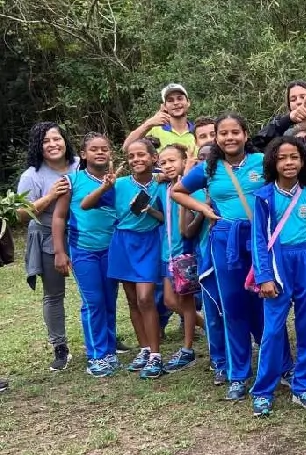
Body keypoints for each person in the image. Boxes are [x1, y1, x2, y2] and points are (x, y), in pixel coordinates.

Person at [173, 114, 290, 400]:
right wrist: (203, 209)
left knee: (268, 302)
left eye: (235, 132)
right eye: (223, 133)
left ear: (245, 134)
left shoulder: (262, 161)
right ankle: (239, 374)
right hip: (225, 240)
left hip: (261, 239)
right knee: (234, 306)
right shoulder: (208, 168)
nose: (229, 138)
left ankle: (282, 366)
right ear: (216, 138)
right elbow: (178, 191)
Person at [250, 136, 306, 416]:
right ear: (273, 162)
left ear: (302, 160)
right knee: (272, 331)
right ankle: (263, 391)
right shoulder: (263, 196)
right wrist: (264, 275)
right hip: (277, 262)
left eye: (294, 157)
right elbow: (259, 239)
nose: (288, 163)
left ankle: (303, 386)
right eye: (282, 158)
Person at [82, 138, 166, 379]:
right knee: (132, 300)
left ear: (153, 158)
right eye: (131, 156)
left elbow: (164, 218)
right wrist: (104, 188)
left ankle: (156, 355)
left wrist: (148, 209)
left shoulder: (161, 184)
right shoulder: (118, 184)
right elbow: (87, 204)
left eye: (141, 155)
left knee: (145, 298)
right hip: (122, 243)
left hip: (148, 242)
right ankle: (144, 348)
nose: (136, 159)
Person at [51, 132, 119, 377]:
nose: (100, 152)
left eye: (104, 149)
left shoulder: (117, 181)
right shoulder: (72, 181)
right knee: (94, 302)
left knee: (110, 300)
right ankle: (97, 355)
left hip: (112, 250)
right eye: (94, 149)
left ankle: (110, 350)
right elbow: (59, 217)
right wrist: (60, 251)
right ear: (84, 154)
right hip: (84, 251)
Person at [16, 122, 80, 371]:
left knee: (95, 288)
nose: (53, 144)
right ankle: (60, 347)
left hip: (82, 234)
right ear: (38, 147)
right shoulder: (32, 175)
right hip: (46, 236)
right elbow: (20, 215)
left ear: (65, 140)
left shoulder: (79, 164)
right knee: (54, 294)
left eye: (57, 138)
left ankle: (107, 336)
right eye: (46, 141)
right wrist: (50, 196)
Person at [180, 145, 227, 385]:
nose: (207, 161)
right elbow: (186, 232)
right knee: (213, 311)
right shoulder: (193, 192)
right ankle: (219, 360)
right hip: (206, 256)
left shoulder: (230, 183)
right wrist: (203, 208)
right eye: (202, 158)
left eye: (211, 157)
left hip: (234, 254)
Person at [157, 144, 199, 372]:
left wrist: (189, 171)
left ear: (184, 161)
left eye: (172, 161)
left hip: (184, 253)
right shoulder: (165, 186)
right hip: (168, 253)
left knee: (185, 302)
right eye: (163, 162)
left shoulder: (190, 187)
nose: (167, 166)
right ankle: (212, 328)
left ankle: (187, 348)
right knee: (169, 301)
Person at [123, 83, 195, 154]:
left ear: (188, 102)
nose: (175, 103)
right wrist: (147, 125)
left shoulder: (197, 131)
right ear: (164, 106)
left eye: (180, 98)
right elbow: (126, 148)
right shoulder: (155, 129)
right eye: (170, 100)